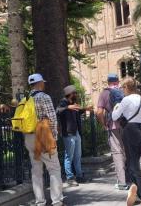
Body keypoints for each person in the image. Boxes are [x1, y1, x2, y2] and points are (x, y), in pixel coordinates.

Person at [112, 77, 141, 205]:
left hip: (129, 131)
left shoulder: (125, 100)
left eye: (122, 88)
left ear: (127, 87)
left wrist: (116, 107)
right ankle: (135, 187)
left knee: (132, 164)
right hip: (140, 130)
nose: (121, 90)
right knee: (134, 162)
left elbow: (114, 117)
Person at [25, 73, 64, 206]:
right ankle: (57, 201)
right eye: (43, 82)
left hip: (29, 135)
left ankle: (40, 201)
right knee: (53, 168)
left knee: (36, 170)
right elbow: (51, 117)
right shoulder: (44, 97)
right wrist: (53, 136)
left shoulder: (25, 98)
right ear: (40, 83)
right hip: (43, 133)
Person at [96, 73, 129, 190]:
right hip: (126, 125)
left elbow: (99, 112)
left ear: (108, 82)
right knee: (127, 150)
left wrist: (104, 123)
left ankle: (122, 182)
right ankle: (131, 177)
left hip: (113, 125)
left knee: (117, 152)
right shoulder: (123, 90)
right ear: (117, 81)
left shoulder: (104, 93)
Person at [56, 85, 92, 186]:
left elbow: (78, 111)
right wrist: (67, 107)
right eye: (75, 93)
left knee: (77, 155)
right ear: (70, 94)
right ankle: (70, 177)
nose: (76, 94)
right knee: (69, 156)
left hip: (76, 133)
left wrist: (85, 109)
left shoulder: (73, 103)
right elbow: (57, 111)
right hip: (68, 134)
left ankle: (79, 175)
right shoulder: (63, 102)